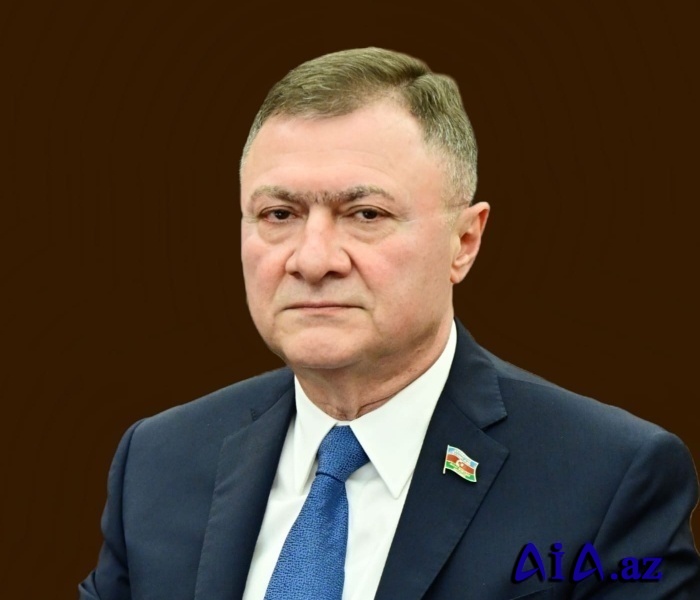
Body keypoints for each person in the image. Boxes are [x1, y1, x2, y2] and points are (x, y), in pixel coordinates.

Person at [79, 47, 700, 599]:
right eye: (278, 214)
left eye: (366, 214)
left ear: (464, 241)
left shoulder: (606, 480)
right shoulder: (158, 463)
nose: (312, 260)